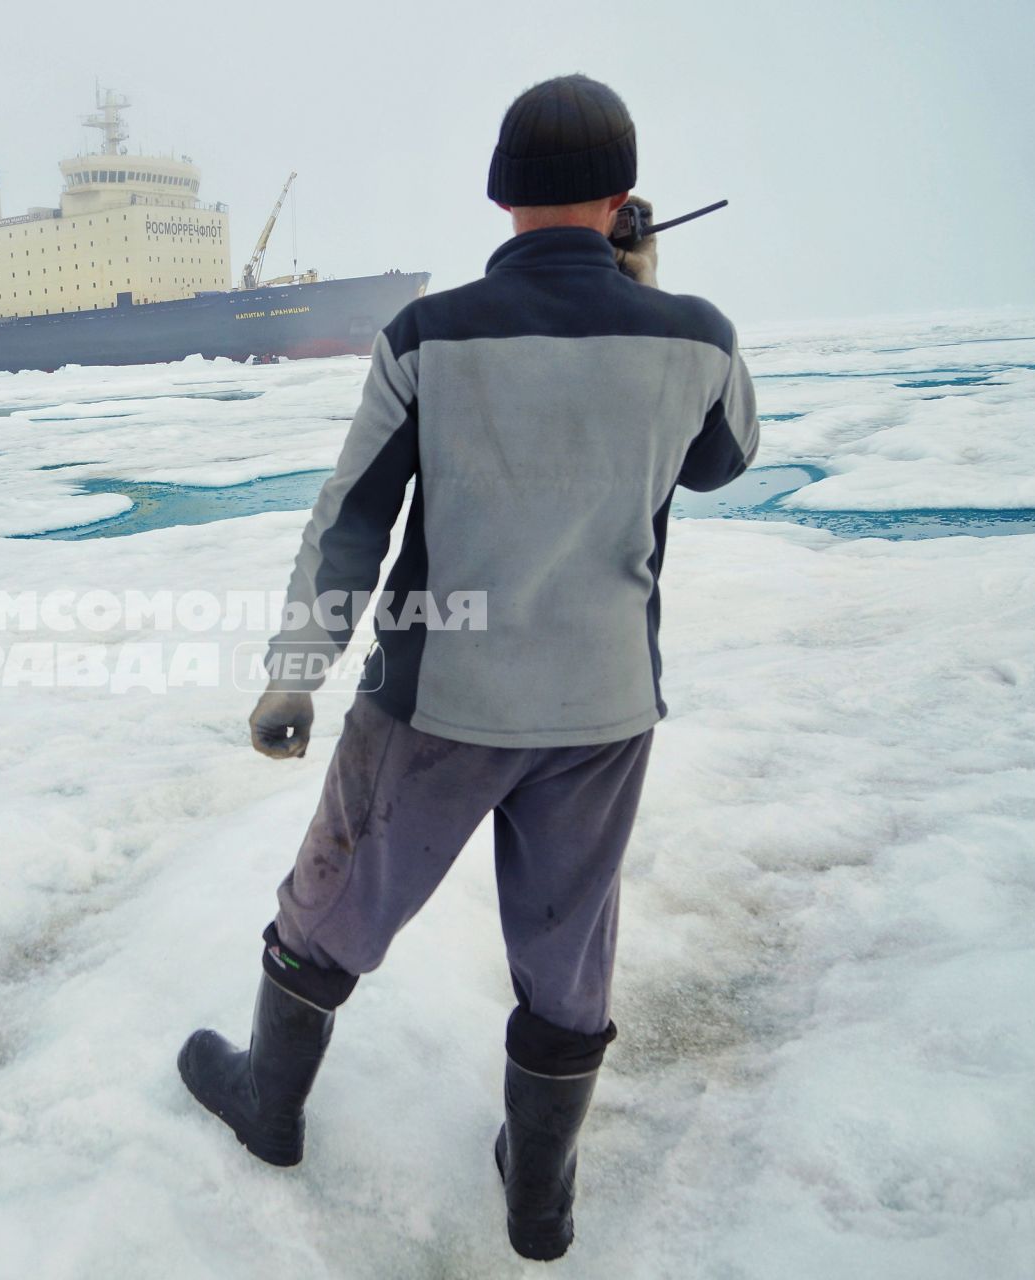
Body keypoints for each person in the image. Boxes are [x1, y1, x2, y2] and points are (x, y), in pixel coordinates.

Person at [177, 74, 758, 1262]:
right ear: (622, 197)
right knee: (566, 943)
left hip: (439, 699)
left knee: (333, 902)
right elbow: (719, 461)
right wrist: (639, 291)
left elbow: (352, 521)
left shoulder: (428, 337)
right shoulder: (696, 334)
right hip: (601, 706)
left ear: (501, 197)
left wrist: (296, 670)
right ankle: (538, 1196)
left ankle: (269, 1104)